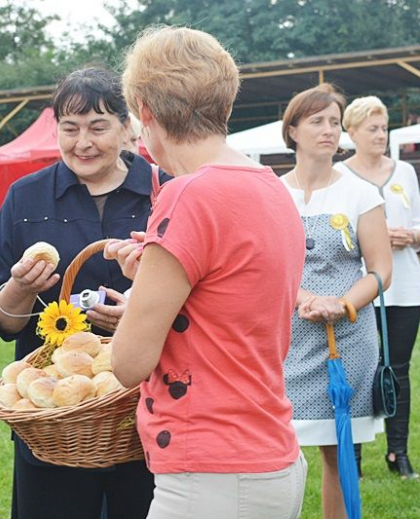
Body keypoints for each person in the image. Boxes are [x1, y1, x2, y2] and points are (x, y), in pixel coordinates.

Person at [109, 27, 307, 518]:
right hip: (266, 449)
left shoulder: (188, 194)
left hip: (213, 469)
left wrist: (139, 295)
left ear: (144, 109)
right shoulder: (270, 186)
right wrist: (156, 274)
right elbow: (227, 306)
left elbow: (129, 362)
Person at [0, 67, 168, 519]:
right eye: (70, 128)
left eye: (98, 127)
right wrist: (20, 289)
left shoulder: (165, 192)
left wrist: (141, 316)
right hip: (54, 420)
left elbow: (199, 301)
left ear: (127, 127)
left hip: (146, 413)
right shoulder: (26, 199)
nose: (83, 142)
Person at [279, 84, 392, 519]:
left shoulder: (361, 193)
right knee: (275, 450)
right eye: (316, 121)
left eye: (334, 121)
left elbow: (381, 269)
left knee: (336, 453)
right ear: (292, 130)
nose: (328, 130)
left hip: (343, 343)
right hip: (283, 338)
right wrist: (305, 298)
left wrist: (342, 304)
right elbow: (265, 266)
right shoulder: (272, 194)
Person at [334, 96, 420, 480]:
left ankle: (398, 453)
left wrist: (413, 235)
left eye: (384, 128)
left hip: (405, 287)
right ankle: (352, 458)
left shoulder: (404, 170)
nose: (380, 135)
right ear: (351, 132)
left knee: (398, 370)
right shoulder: (339, 175)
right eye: (372, 128)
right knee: (358, 371)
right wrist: (372, 236)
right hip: (359, 287)